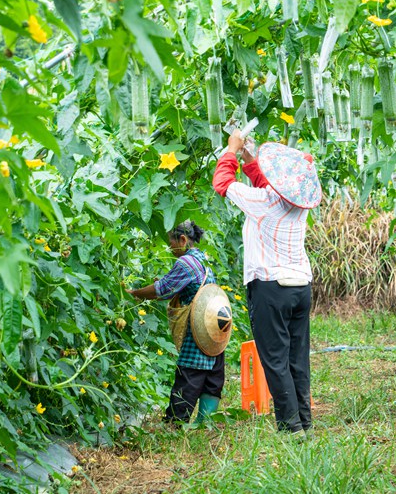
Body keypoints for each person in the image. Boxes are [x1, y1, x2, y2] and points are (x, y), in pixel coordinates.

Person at [212, 131, 322, 436]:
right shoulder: (298, 205)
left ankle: (291, 429)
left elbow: (222, 183)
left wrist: (232, 151)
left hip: (270, 288)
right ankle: (305, 423)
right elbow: (270, 186)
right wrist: (250, 160)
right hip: (300, 287)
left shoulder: (262, 202)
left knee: (274, 359)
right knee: (296, 359)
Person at [126, 221, 224, 425]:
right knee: (213, 377)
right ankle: (204, 424)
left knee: (189, 373)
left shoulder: (185, 263)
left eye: (170, 241)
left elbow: (161, 289)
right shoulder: (202, 259)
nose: (169, 247)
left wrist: (135, 293)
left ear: (182, 240)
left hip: (199, 326)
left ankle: (174, 423)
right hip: (216, 325)